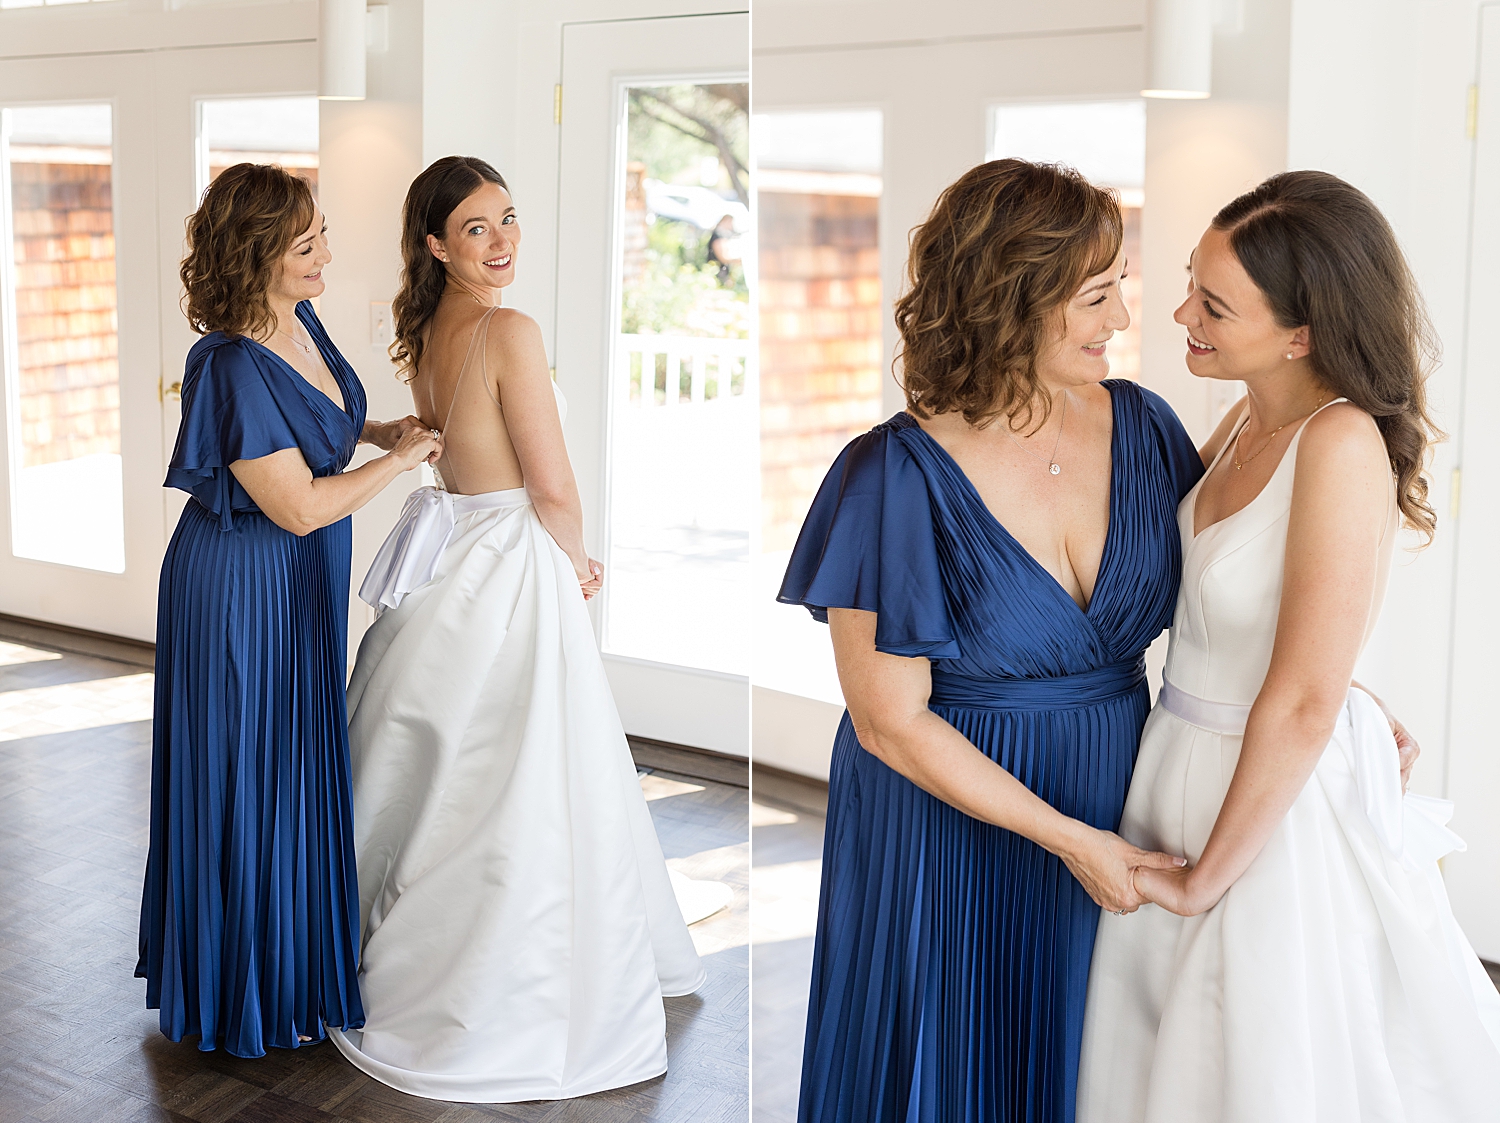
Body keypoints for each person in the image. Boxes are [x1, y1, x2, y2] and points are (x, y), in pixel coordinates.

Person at [779, 159, 1202, 1123]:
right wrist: (1069, 840)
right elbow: (889, 724)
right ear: (1015, 298)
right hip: (941, 824)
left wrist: (1348, 700)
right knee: (946, 1059)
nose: (1123, 320)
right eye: (1098, 295)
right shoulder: (890, 473)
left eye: (1120, 288)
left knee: (1086, 1060)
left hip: (1112, 800)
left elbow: (1234, 604)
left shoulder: (1144, 426)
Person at [1078, 171, 1500, 1121]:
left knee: (1259, 1052)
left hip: (1269, 796)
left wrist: (1209, 878)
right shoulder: (1242, 417)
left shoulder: (1340, 439)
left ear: (1301, 331)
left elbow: (1300, 696)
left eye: (1215, 304)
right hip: (1172, 763)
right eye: (1191, 280)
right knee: (1156, 1049)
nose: (1181, 310)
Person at [327, 156, 707, 1102]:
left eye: (508, 220)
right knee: (527, 778)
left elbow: (443, 446)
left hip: (452, 557)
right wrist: (576, 564)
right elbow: (552, 486)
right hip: (512, 557)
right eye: (476, 230)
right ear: (435, 245)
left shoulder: (426, 329)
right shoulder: (509, 329)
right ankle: (508, 975)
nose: (501, 245)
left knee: (440, 769)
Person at [137, 163, 441, 1057]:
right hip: (238, 591)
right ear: (259, 252)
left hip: (296, 585)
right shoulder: (227, 363)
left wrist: (380, 430)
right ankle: (242, 989)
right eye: (307, 244)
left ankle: (292, 967)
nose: (326, 256)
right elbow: (300, 504)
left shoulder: (298, 319)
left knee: (292, 765)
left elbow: (318, 421)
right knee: (247, 775)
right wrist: (403, 464)